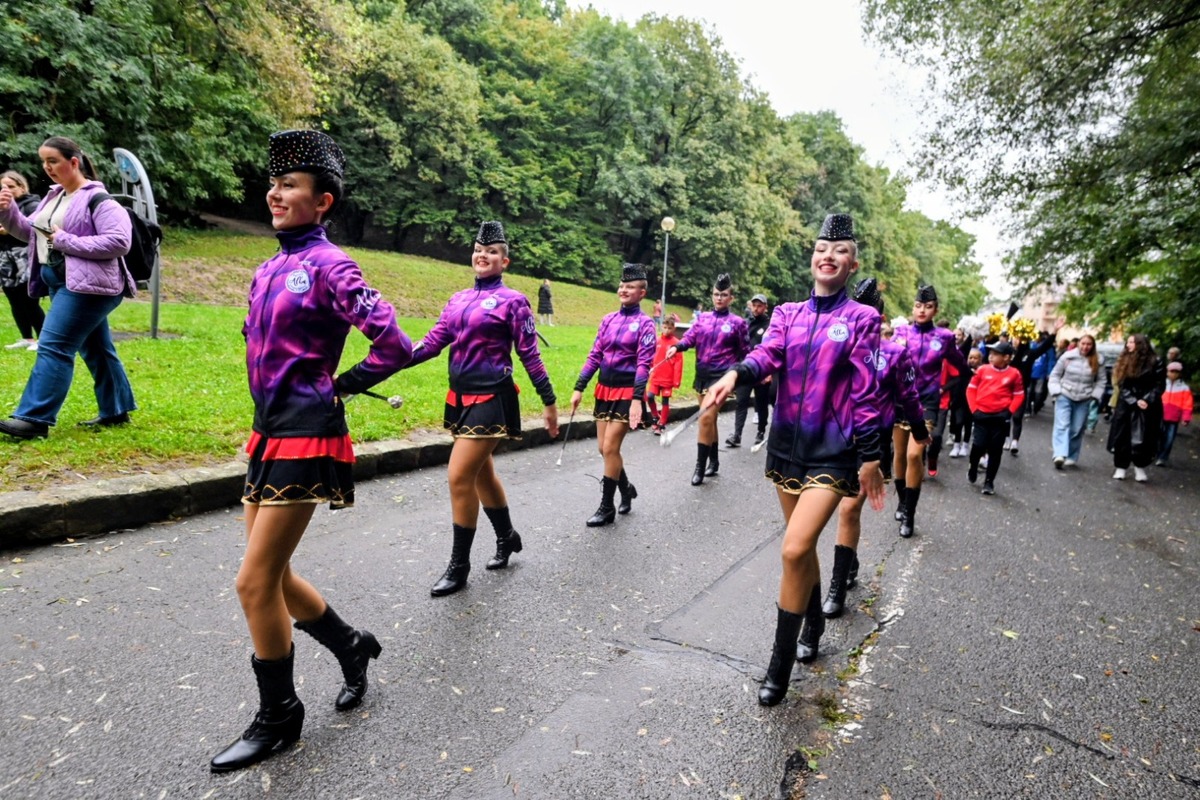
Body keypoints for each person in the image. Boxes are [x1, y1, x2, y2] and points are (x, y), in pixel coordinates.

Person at [209, 130, 414, 773]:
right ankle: (352, 645)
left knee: (253, 580)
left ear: (322, 201)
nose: (275, 192)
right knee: (274, 574)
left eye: (290, 184)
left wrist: (342, 383)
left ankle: (280, 717)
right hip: (268, 431)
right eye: (273, 183)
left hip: (307, 431)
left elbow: (395, 345)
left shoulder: (333, 266)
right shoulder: (266, 268)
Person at [704, 214, 884, 706]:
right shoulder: (785, 313)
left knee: (792, 548)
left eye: (840, 250)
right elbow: (767, 355)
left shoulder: (863, 320)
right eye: (822, 246)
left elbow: (867, 393)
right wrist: (734, 375)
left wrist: (870, 456)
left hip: (834, 450)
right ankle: (812, 621)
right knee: (800, 550)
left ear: (852, 264)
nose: (829, 254)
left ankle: (778, 666)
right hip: (786, 447)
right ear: (813, 255)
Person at [405, 220, 558, 596]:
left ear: (504, 261)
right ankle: (507, 537)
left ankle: (459, 566)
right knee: (481, 475)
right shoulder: (457, 299)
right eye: (478, 249)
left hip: (493, 397)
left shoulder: (514, 302)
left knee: (459, 476)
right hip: (460, 397)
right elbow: (432, 343)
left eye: (492, 251)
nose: (482, 255)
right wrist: (390, 359)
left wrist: (549, 401)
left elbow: (530, 355)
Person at [0, 136, 137, 440]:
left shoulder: (98, 199)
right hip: (63, 283)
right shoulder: (54, 197)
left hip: (90, 287)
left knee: (53, 345)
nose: (46, 167)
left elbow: (119, 242)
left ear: (73, 162)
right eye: (43, 161)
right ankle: (116, 410)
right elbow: (30, 233)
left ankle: (34, 419)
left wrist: (64, 240)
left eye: (53, 161)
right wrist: (7, 211)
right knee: (97, 348)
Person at [824, 278, 926, 618]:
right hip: (834, 439)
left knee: (848, 510)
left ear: (878, 318)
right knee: (831, 511)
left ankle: (836, 588)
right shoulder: (834, 345)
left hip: (871, 443)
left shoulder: (895, 352)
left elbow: (909, 396)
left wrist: (921, 429)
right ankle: (848, 562)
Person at [570, 264, 656, 526]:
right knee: (603, 449)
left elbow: (644, 363)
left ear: (642, 293)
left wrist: (637, 399)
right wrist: (579, 386)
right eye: (621, 285)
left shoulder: (646, 324)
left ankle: (606, 508)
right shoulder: (608, 319)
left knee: (610, 447)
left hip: (627, 391)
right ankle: (626, 488)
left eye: (630, 287)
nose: (623, 289)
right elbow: (595, 354)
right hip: (603, 389)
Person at [890, 285, 967, 536]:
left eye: (928, 306)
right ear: (913, 307)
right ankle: (902, 501)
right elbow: (886, 358)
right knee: (899, 454)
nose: (922, 310)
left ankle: (909, 515)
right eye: (918, 306)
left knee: (914, 455)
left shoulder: (944, 337)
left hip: (927, 402)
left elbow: (958, 362)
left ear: (936, 310)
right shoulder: (900, 332)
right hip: (900, 400)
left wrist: (972, 374)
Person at [666, 273, 750, 484]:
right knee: (709, 421)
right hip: (701, 376)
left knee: (704, 418)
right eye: (716, 294)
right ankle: (714, 461)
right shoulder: (702, 319)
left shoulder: (737, 323)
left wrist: (741, 374)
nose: (719, 298)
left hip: (721, 378)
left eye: (724, 295)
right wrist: (676, 347)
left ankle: (699, 468)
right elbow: (689, 338)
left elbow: (745, 352)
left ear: (731, 298)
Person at [965, 340, 1024, 495]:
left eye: (996, 354)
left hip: (1000, 418)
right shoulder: (982, 370)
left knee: (995, 450)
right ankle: (973, 466)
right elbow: (971, 390)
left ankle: (989, 481)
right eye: (990, 353)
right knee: (978, 445)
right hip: (981, 415)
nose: (991, 356)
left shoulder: (1014, 374)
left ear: (1007, 357)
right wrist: (974, 410)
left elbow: (1019, 395)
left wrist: (1009, 412)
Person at [1107, 334, 1162, 482]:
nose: (1128, 345)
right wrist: (1133, 400)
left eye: (1132, 342)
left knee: (1145, 438)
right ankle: (1121, 466)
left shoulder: (1155, 362)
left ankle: (1140, 467)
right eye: (1128, 342)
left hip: (1148, 405)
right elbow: (1122, 384)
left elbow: (1159, 384)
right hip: (1126, 404)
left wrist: (1147, 399)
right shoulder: (1124, 360)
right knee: (1122, 437)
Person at [0, 171, 44, 351]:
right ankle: (27, 337)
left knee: (29, 299)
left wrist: (9, 230)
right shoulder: (2, 206)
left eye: (11, 186)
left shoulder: (33, 204)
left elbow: (32, 229)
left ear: (22, 187)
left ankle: (43, 338)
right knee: (13, 298)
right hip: (5, 256)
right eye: (3, 187)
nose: (7, 190)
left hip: (25, 256)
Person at [1048, 334, 1104, 469]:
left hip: (1084, 397)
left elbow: (1101, 380)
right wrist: (1056, 391)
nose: (1085, 347)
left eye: (1088, 344)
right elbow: (1055, 374)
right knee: (1062, 425)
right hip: (1065, 394)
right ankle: (1059, 454)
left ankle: (1072, 456)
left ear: (1093, 346)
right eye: (1083, 343)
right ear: (1079, 343)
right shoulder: (1067, 356)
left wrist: (1095, 395)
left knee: (1077, 429)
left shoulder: (1099, 360)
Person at [727, 293, 773, 447]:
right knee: (741, 402)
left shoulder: (770, 325)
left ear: (765, 307)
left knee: (761, 403)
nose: (756, 308)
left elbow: (772, 349)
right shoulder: (745, 324)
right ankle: (737, 435)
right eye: (754, 305)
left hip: (761, 369)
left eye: (760, 305)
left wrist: (770, 372)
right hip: (745, 368)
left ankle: (761, 430)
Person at [1007, 331, 1056, 453]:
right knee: (1005, 416)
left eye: (1019, 338)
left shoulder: (1030, 354)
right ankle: (1006, 438)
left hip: (1021, 389)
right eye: (1015, 338)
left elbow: (1044, 347)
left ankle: (1015, 441)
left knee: (1017, 416)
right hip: (1005, 389)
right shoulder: (1007, 353)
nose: (1016, 340)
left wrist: (1054, 333)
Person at [646, 314, 683, 434]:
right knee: (650, 396)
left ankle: (661, 424)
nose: (667, 330)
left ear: (674, 329)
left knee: (665, 401)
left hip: (668, 378)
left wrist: (676, 380)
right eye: (665, 327)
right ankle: (655, 416)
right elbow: (651, 357)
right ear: (661, 327)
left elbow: (679, 363)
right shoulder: (656, 341)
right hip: (656, 376)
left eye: (669, 328)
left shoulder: (676, 344)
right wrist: (648, 368)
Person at [947, 348, 982, 458]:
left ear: (980, 360)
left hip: (972, 402)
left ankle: (965, 445)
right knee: (958, 422)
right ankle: (956, 445)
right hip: (960, 401)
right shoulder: (963, 370)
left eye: (975, 358)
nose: (972, 360)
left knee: (968, 423)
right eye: (970, 357)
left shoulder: (981, 372)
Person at [1157, 362, 1192, 466]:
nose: (1173, 374)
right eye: (1171, 371)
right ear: (1167, 372)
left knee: (1169, 438)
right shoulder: (1162, 384)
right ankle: (1157, 453)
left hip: (1174, 418)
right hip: (1160, 415)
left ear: (1180, 374)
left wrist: (1186, 417)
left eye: (1176, 372)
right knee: (1158, 436)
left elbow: (1187, 404)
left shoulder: (1184, 388)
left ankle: (1162, 457)